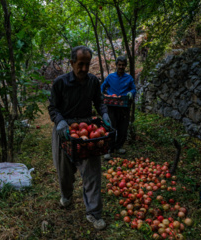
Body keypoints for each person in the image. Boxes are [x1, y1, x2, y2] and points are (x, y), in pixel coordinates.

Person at [48, 46, 111, 230]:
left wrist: (105, 113)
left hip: (86, 130)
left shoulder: (93, 81)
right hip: (64, 131)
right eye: (80, 64)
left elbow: (99, 101)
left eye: (87, 64)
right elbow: (53, 108)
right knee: (64, 172)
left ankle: (94, 213)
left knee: (92, 173)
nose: (84, 68)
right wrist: (59, 122)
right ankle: (66, 195)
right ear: (72, 63)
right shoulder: (60, 83)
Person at [101, 56, 136, 160]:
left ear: (125, 66)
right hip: (111, 105)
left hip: (124, 106)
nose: (121, 67)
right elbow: (102, 87)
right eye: (119, 64)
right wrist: (103, 94)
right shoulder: (110, 77)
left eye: (123, 65)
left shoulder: (129, 78)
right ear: (116, 65)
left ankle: (119, 146)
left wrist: (131, 93)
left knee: (123, 127)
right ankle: (108, 149)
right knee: (111, 127)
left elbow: (134, 89)